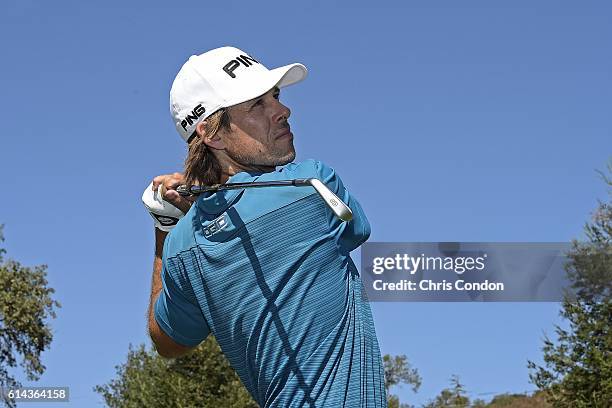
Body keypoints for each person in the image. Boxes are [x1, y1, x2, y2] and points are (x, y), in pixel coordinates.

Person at [145, 46, 386, 407]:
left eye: (275, 96)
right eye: (256, 105)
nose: (283, 110)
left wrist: (166, 226)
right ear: (212, 133)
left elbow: (167, 341)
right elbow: (357, 230)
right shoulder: (311, 187)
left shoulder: (183, 246)